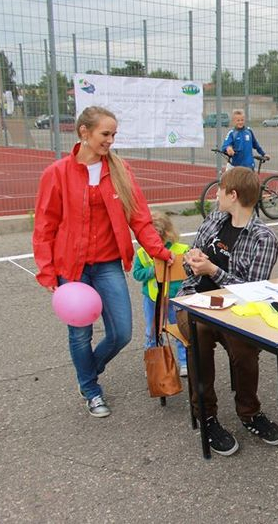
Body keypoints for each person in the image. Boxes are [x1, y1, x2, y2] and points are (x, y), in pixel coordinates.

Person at [33, 105, 174, 418]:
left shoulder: (120, 171)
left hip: (108, 263)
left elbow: (140, 219)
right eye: (105, 134)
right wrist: (47, 271)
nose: (110, 140)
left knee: (121, 332)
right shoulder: (57, 173)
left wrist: (160, 252)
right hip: (71, 267)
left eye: (113, 135)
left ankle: (87, 373)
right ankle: (92, 390)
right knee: (79, 334)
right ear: (84, 132)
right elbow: (44, 226)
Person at [175, 166, 278, 456]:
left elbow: (252, 291)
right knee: (199, 333)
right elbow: (188, 260)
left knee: (245, 344)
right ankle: (206, 415)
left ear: (233, 195)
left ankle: (249, 412)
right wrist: (193, 259)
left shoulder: (264, 239)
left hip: (236, 308)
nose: (216, 195)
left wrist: (213, 270)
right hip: (195, 299)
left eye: (220, 191)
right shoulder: (214, 220)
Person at [132, 211, 190, 377]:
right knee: (152, 332)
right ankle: (154, 363)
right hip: (153, 299)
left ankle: (185, 361)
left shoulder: (181, 249)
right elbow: (137, 274)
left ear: (167, 233)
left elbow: (190, 270)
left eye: (160, 237)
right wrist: (152, 270)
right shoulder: (143, 253)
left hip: (176, 298)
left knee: (180, 329)